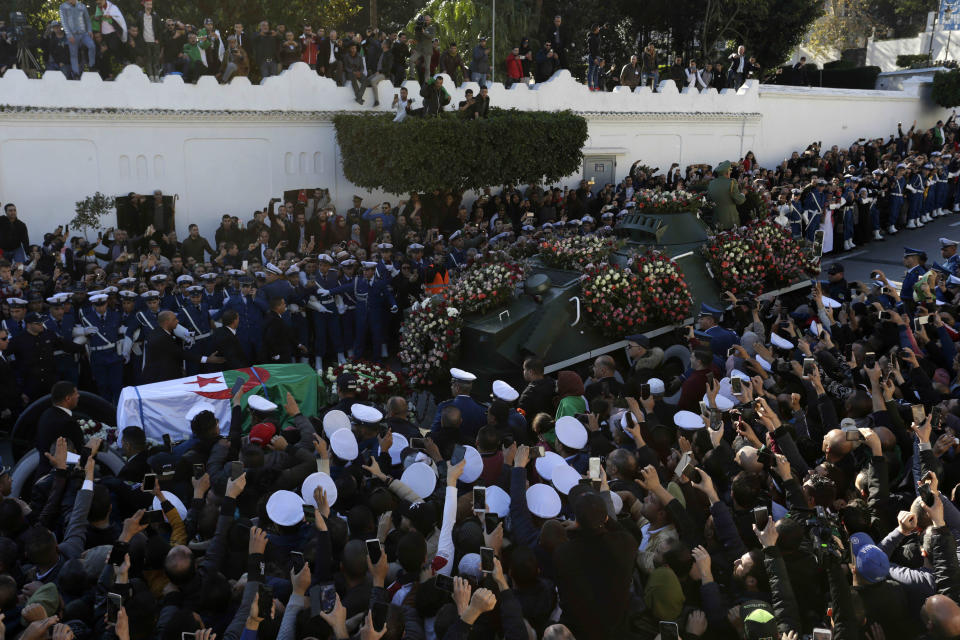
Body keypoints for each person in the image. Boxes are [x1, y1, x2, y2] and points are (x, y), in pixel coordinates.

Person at [142, 310, 223, 383]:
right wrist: (208, 359)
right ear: (167, 322)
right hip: (160, 378)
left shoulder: (159, 332)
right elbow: (180, 354)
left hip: (163, 374)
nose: (177, 321)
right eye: (174, 319)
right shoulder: (162, 338)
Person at [58, 0, 94, 79]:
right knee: (74, 55)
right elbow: (64, 22)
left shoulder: (82, 6)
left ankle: (92, 66)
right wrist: (69, 35)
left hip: (83, 33)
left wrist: (89, 30)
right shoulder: (63, 7)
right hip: (73, 34)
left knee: (91, 46)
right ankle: (76, 73)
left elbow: (87, 20)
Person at [707, 160, 746, 230]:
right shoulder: (731, 182)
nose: (731, 172)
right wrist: (743, 193)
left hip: (716, 220)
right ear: (726, 172)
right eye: (730, 170)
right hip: (730, 220)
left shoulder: (711, 183)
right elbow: (739, 200)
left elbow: (709, 200)